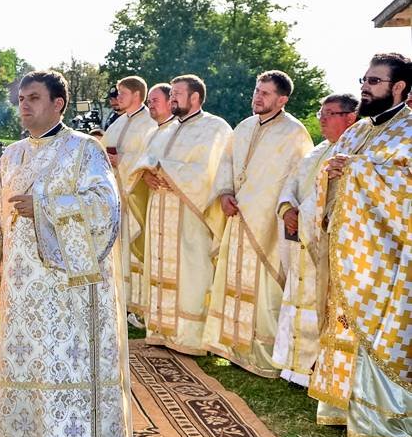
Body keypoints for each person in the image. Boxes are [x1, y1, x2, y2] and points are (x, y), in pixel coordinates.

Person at [0, 70, 130, 437]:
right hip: (22, 284)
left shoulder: (84, 150)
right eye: (21, 99)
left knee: (66, 361)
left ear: (58, 104)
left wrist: (44, 206)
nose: (24, 106)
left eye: (34, 98)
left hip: (68, 288)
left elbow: (106, 206)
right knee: (28, 363)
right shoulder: (11, 155)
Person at [312, 53, 411, 437]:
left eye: (374, 81)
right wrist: (332, 174)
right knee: (343, 325)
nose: (365, 88)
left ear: (398, 87)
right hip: (348, 251)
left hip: (388, 257)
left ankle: (381, 416)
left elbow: (405, 189)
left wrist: (356, 170)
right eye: (364, 80)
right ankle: (341, 405)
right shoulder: (356, 131)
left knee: (377, 329)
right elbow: (332, 174)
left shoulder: (408, 131)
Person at [203, 71, 313, 377]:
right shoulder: (244, 126)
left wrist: (265, 207)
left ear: (282, 99)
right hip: (238, 218)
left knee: (264, 290)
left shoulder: (294, 133)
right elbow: (227, 165)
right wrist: (225, 193)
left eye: (265, 93)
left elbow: (296, 179)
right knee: (233, 281)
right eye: (256, 91)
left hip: (267, 226)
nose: (257, 97)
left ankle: (264, 356)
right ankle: (233, 348)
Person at [129, 75, 232, 355]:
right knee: (159, 266)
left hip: (189, 213)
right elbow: (146, 161)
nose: (172, 98)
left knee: (191, 270)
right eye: (171, 94)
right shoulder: (166, 130)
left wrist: (166, 170)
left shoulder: (214, 128)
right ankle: (161, 330)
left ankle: (190, 337)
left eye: (177, 94)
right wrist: (146, 175)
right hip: (160, 210)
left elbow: (210, 171)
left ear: (195, 97)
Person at [271, 94, 358, 386]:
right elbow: (292, 184)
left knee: (318, 304)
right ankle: (292, 367)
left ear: (350, 118)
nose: (322, 119)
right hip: (301, 238)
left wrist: (304, 215)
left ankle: (313, 371)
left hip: (324, 241)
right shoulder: (317, 151)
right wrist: (287, 209)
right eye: (321, 113)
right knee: (297, 300)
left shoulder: (353, 152)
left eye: (330, 113)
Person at [102, 76, 159, 323]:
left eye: (122, 93)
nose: (118, 97)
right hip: (115, 194)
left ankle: (136, 304)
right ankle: (119, 300)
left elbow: (150, 158)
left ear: (136, 95)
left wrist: (122, 160)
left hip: (136, 196)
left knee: (133, 247)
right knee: (118, 248)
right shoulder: (118, 122)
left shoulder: (150, 123)